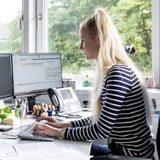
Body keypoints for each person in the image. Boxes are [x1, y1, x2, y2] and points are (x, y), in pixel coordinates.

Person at [33, 8, 155, 159]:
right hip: (122, 150)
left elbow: (101, 130)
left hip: (132, 156)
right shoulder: (116, 70)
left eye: (83, 40)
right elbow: (100, 119)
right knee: (75, 149)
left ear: (98, 39)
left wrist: (58, 133)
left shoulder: (117, 74)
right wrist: (63, 125)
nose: (80, 46)